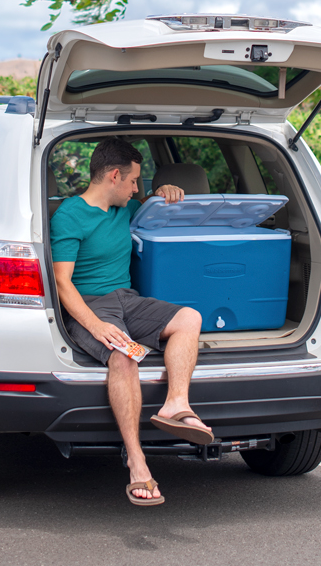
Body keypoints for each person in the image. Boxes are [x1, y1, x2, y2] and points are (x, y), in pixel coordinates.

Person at [50, 137, 213, 506]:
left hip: (127, 299)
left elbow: (154, 206)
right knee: (123, 355)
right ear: (113, 176)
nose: (136, 188)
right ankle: (138, 462)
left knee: (189, 317)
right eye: (134, 180)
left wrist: (163, 191)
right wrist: (95, 326)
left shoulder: (127, 207)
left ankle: (176, 404)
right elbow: (62, 283)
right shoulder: (69, 216)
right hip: (91, 305)